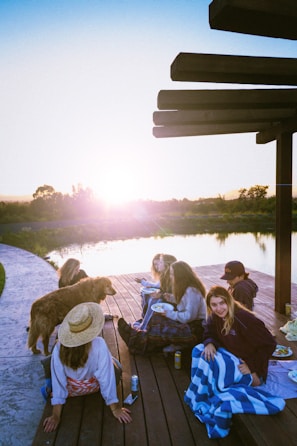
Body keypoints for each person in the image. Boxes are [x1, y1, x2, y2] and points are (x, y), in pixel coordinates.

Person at [43, 302, 132, 433]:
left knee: (50, 363)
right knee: (115, 365)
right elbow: (106, 379)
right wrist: (115, 408)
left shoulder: (59, 347)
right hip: (93, 387)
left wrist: (55, 415)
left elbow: (59, 382)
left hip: (71, 390)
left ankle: (48, 383)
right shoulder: (99, 344)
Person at [118, 260, 206, 354]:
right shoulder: (186, 288)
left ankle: (133, 339)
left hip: (195, 329)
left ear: (180, 276)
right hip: (187, 324)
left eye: (172, 274)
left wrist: (169, 313)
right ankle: (135, 336)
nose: (171, 277)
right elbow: (184, 302)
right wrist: (169, 298)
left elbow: (188, 317)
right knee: (156, 319)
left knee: (161, 331)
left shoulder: (192, 291)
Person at [202, 285, 276, 385]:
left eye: (222, 303)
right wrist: (209, 342)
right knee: (199, 352)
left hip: (250, 364)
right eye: (214, 305)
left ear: (229, 301)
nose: (218, 308)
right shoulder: (214, 317)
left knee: (219, 381)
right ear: (209, 306)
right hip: (232, 356)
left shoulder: (244, 319)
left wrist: (251, 365)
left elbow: (270, 344)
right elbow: (209, 331)